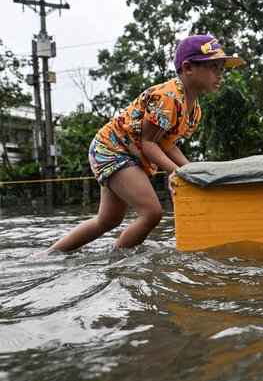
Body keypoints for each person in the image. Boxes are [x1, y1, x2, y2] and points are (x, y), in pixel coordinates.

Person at [44, 35, 245, 254]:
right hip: (113, 150)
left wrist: (191, 171)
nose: (219, 74)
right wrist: (177, 172)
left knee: (108, 220)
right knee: (152, 213)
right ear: (187, 68)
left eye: (221, 68)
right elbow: (148, 143)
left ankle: (47, 255)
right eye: (213, 66)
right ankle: (117, 265)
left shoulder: (193, 108)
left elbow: (166, 144)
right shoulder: (170, 97)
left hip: (126, 154)